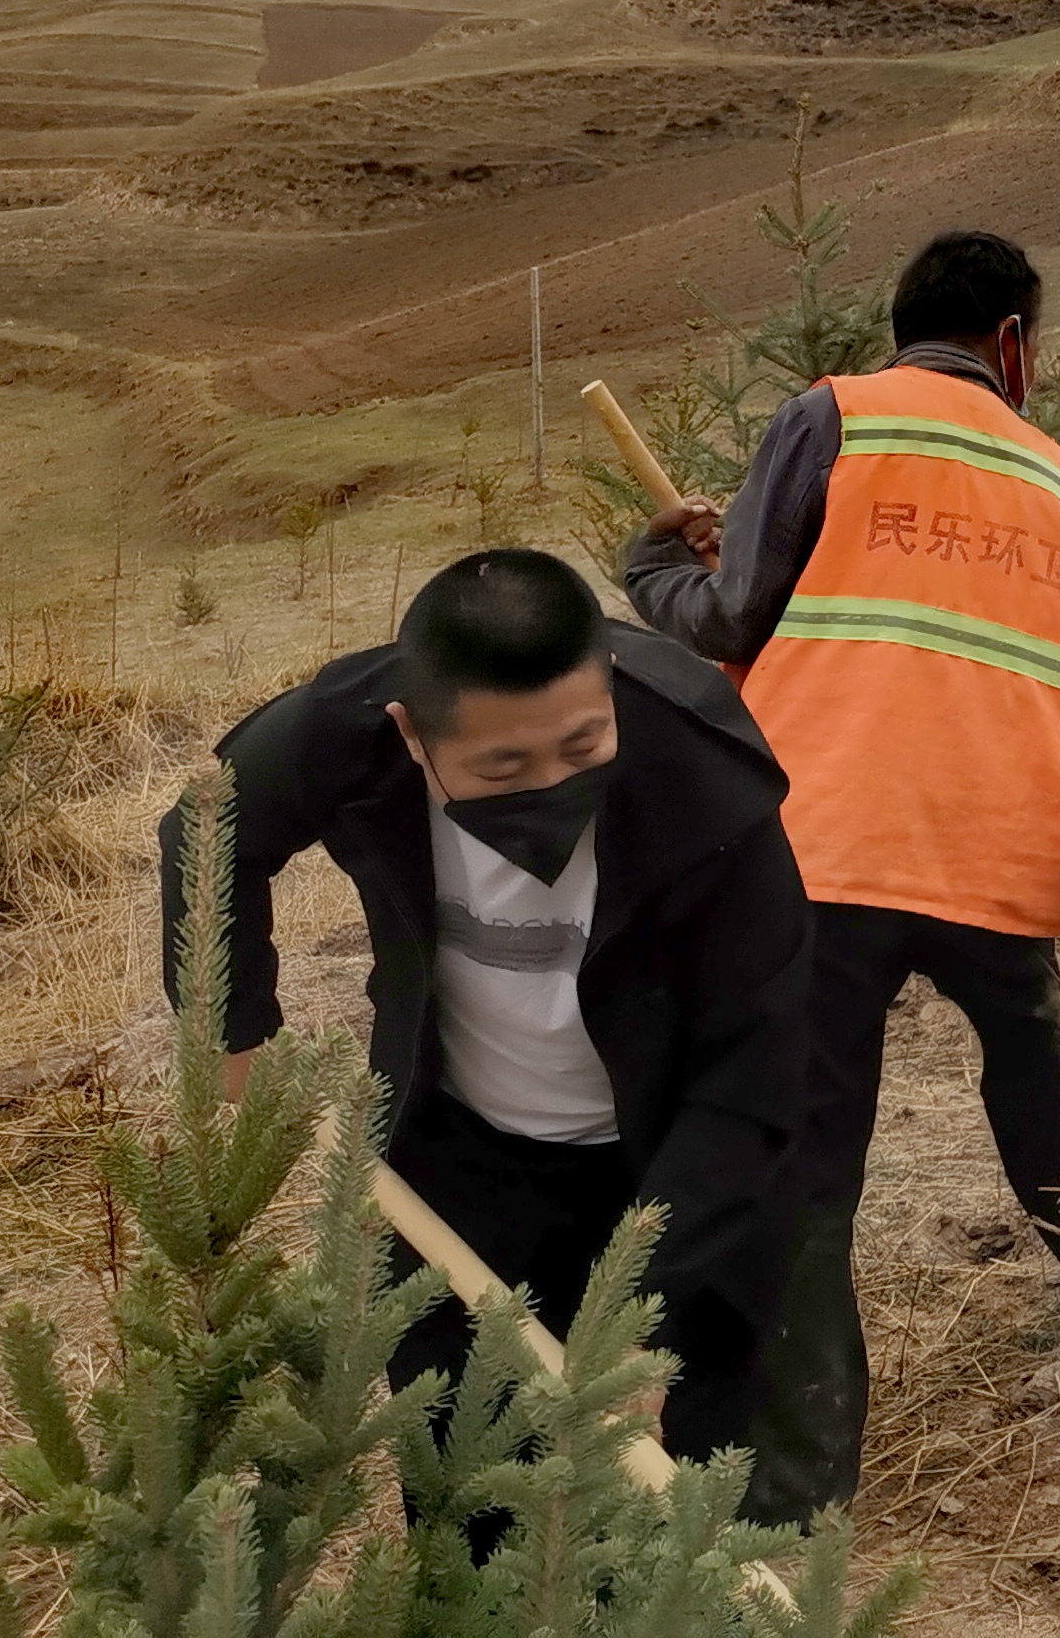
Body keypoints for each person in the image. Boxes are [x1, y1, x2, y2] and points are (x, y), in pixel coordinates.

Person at [626, 229, 1060, 1523]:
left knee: (804, 1162)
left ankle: (793, 1491)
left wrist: (655, 573)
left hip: (836, 845)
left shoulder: (832, 416)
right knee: (1052, 1110)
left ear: (902, 326)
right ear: (1012, 344)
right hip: (1004, 846)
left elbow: (742, 616)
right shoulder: (1059, 478)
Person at [171, 549, 809, 1467]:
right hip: (456, 1157)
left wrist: (642, 1316)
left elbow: (751, 1079)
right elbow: (207, 826)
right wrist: (231, 1029)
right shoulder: (344, 735)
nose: (551, 783)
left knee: (678, 1476)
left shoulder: (707, 787)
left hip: (669, 1170)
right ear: (412, 737)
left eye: (583, 746)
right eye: (503, 767)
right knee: (462, 1462)